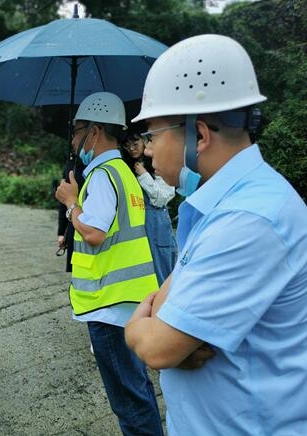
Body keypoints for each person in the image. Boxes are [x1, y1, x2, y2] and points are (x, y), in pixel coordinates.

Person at [125, 34, 307, 435]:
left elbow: (157, 347)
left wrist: (135, 329)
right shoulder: (225, 204)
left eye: (153, 135)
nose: (148, 150)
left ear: (200, 136)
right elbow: (167, 311)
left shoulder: (249, 218)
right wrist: (173, 332)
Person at [55, 92, 163, 435]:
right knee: (137, 388)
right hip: (129, 301)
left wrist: (71, 204)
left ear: (95, 131)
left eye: (77, 131)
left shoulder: (102, 176)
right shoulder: (123, 172)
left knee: (128, 400)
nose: (74, 140)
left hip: (108, 304)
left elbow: (94, 233)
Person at [121, 128, 177, 284]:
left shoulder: (160, 162)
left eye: (135, 143)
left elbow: (162, 198)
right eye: (127, 145)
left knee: (161, 271)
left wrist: (144, 175)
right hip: (135, 225)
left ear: (145, 141)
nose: (131, 148)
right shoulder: (125, 167)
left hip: (157, 225)